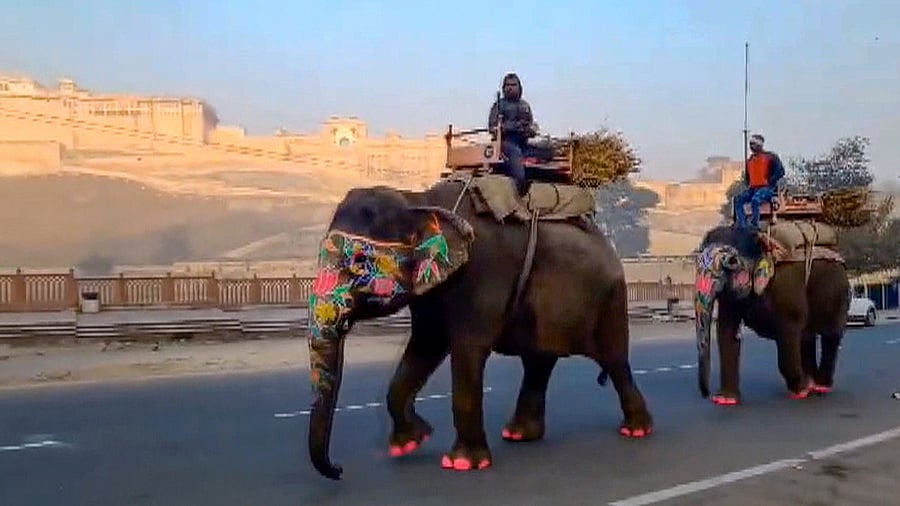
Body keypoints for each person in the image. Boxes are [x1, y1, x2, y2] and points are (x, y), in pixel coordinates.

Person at [488, 72, 538, 195]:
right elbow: (492, 127)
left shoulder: (524, 105)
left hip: (523, 142)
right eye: (507, 85)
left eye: (513, 85)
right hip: (505, 143)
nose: (510, 88)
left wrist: (530, 130)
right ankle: (519, 185)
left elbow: (532, 125)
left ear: (519, 87)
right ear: (503, 88)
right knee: (515, 152)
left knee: (547, 150)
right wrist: (512, 127)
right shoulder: (499, 105)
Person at [733, 134, 785, 228]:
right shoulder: (750, 160)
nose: (751, 146)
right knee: (738, 201)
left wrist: (770, 181)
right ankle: (743, 224)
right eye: (750, 144)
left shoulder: (770, 157)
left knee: (755, 200)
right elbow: (748, 177)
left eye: (753, 144)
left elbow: (781, 171)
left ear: (760, 145)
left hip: (767, 188)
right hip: (753, 188)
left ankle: (754, 224)